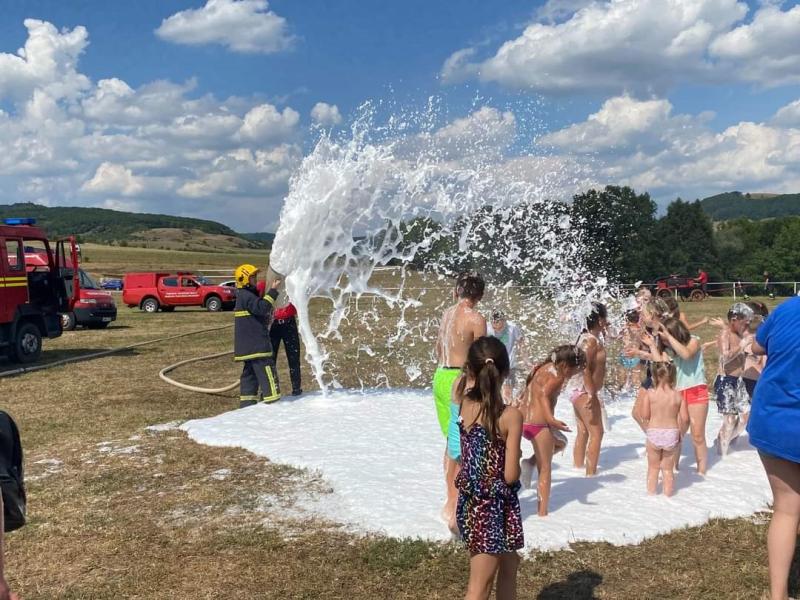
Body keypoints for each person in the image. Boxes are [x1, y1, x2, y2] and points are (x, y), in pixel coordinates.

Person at [453, 336, 523, 600]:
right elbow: (510, 475)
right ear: (505, 372)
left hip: (471, 502)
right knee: (479, 587)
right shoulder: (510, 416)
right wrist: (517, 456)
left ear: (470, 370)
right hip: (490, 507)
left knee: (509, 563)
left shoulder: (464, 402)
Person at [746, 295, 800, 600]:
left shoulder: (787, 309)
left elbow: (757, 346)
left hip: (774, 419)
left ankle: (777, 596)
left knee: (787, 509)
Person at [434, 272, 487, 533]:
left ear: (457, 291)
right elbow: (482, 359)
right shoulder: (476, 319)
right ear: (480, 296)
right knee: (464, 445)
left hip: (440, 377)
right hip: (460, 380)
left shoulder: (447, 314)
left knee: (451, 442)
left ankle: (449, 501)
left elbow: (437, 348)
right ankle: (457, 510)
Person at [519, 345, 586, 516]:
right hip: (539, 425)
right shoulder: (557, 376)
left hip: (522, 422)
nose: (575, 375)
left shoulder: (542, 367)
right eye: (576, 370)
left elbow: (529, 392)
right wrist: (551, 420)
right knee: (545, 469)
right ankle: (542, 513)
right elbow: (543, 395)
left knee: (561, 442)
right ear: (566, 366)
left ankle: (529, 463)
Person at [655, 318, 710, 475]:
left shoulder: (694, 340)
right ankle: (673, 470)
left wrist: (668, 337)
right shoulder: (666, 350)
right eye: (662, 338)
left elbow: (686, 355)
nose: (664, 341)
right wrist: (648, 349)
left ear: (674, 332)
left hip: (696, 390)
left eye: (666, 336)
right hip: (678, 393)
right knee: (676, 434)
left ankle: (702, 473)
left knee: (697, 435)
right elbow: (659, 364)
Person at [566, 302, 608, 476]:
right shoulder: (591, 342)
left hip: (576, 390)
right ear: (600, 320)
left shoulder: (585, 337)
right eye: (605, 318)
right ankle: (591, 476)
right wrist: (591, 393)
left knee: (583, 431)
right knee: (597, 433)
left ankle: (576, 469)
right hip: (583, 391)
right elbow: (585, 368)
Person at [233, 264, 281, 408]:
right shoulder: (247, 296)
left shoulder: (243, 295)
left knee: (250, 375)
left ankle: (247, 404)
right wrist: (273, 291)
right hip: (256, 345)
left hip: (247, 346)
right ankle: (273, 402)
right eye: (252, 277)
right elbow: (262, 308)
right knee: (267, 371)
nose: (255, 279)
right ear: (244, 279)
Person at [640, 361, 688, 496]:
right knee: (667, 470)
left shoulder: (650, 394)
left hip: (654, 432)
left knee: (653, 468)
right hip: (671, 434)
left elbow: (644, 415)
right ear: (673, 376)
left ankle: (651, 495)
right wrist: (680, 433)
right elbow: (685, 418)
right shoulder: (678, 396)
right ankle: (668, 497)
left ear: (654, 376)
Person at [713, 302, 754, 456]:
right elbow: (725, 358)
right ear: (734, 320)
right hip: (725, 381)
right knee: (729, 421)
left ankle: (724, 441)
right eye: (744, 323)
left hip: (738, 381)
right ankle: (721, 455)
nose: (746, 326)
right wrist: (742, 345)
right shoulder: (725, 334)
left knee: (746, 417)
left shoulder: (738, 334)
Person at [486, 310, 529, 403]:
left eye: (500, 328)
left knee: (507, 393)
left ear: (504, 321)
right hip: (492, 366)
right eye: (495, 328)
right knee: (492, 393)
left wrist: (526, 361)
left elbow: (522, 345)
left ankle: (509, 408)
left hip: (509, 365)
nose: (497, 330)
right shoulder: (487, 328)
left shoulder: (512, 328)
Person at [270, 301, 303, 396]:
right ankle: (270, 391)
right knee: (270, 358)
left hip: (289, 322)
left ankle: (297, 388)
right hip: (272, 323)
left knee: (294, 357)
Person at [617, 310, 642, 392]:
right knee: (634, 377)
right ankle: (635, 391)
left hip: (630, 355)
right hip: (631, 356)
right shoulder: (637, 329)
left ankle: (621, 390)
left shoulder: (635, 329)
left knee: (624, 377)